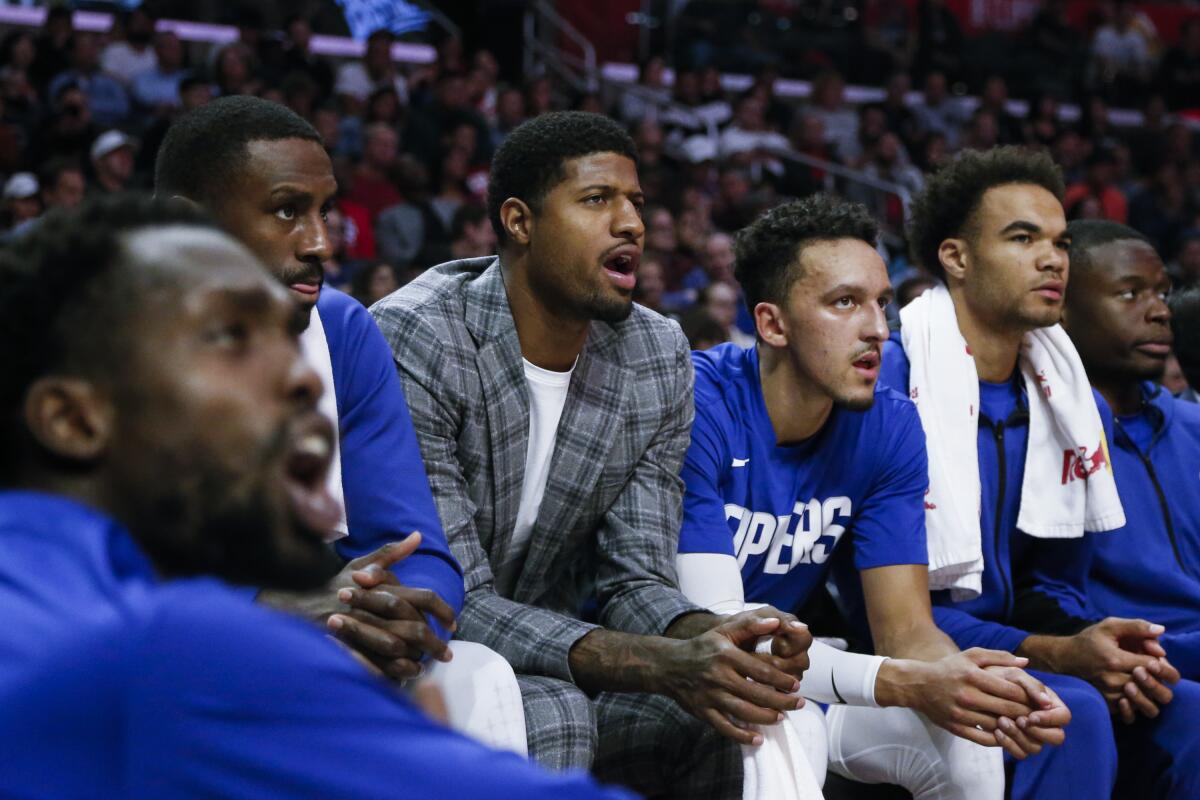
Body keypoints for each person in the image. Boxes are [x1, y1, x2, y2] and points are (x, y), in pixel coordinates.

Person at [0, 195, 633, 800]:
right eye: (228, 338)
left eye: (285, 337)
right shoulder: (175, 651)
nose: (302, 378)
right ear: (72, 419)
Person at [372, 111, 815, 798]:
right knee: (554, 711)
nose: (632, 223)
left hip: (548, 653)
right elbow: (449, 594)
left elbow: (635, 579)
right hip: (407, 651)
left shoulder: (655, 352)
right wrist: (654, 661)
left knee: (734, 709)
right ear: (519, 222)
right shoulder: (421, 337)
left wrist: (721, 640)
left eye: (636, 202)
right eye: (596, 200)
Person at [677, 195, 1069, 798]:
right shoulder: (697, 403)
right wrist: (909, 683)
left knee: (967, 736)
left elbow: (906, 630)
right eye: (844, 303)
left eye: (881, 303)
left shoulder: (889, 426)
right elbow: (725, 635)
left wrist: (972, 685)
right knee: (780, 727)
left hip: (799, 672)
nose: (878, 329)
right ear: (772, 324)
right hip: (681, 667)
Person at [885, 145, 1200, 799]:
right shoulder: (895, 387)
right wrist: (1062, 650)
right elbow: (897, 617)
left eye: (1057, 240)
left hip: (1017, 638)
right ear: (957, 258)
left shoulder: (1057, 396)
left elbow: (1047, 583)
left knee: (1181, 711)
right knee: (1073, 713)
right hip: (899, 645)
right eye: (1022, 238)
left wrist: (1087, 641)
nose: (1052, 257)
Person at [154, 96, 463, 683]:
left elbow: (417, 550)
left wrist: (379, 622)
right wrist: (271, 615)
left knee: (479, 683)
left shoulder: (342, 332)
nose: (321, 243)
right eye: (287, 210)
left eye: (326, 211)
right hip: (129, 672)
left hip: (302, 653)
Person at [1061, 220, 1200, 682]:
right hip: (1129, 668)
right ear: (1061, 308)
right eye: (1129, 294)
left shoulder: (1192, 427)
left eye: (1163, 292)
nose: (1160, 311)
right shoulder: (1042, 441)